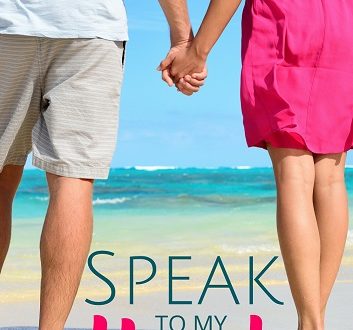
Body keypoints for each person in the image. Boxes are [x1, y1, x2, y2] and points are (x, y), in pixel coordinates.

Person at [158, 1, 351, 329]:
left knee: (295, 175)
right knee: (331, 177)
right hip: (343, 24)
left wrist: (197, 51)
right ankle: (316, 319)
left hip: (285, 25)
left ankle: (310, 322)